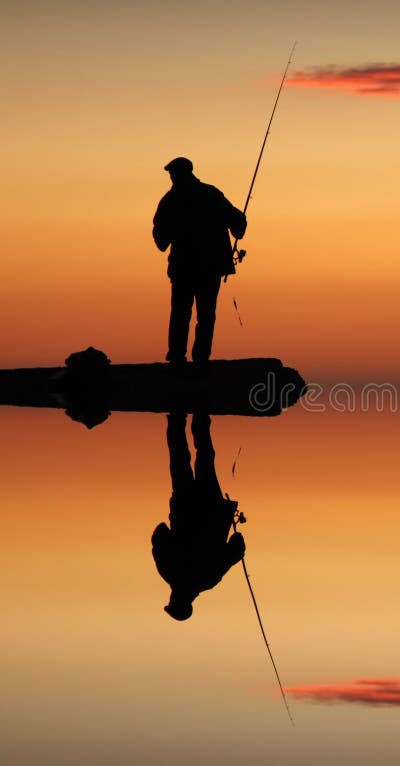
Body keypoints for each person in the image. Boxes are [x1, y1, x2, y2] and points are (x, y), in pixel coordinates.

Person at [152, 157, 247, 365]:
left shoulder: (170, 200)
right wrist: (238, 229)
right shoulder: (211, 194)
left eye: (172, 174)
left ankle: (177, 357)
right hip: (210, 267)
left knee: (180, 313)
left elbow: (160, 240)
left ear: (178, 174)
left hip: (183, 268)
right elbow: (238, 221)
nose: (171, 178)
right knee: (206, 314)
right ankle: (201, 358)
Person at [152, 412, 245, 620]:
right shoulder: (168, 569)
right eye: (172, 602)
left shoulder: (208, 578)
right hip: (184, 505)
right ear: (175, 600)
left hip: (210, 507)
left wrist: (236, 537)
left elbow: (236, 550)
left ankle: (201, 414)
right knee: (179, 458)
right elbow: (159, 534)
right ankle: (177, 417)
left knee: (204, 457)